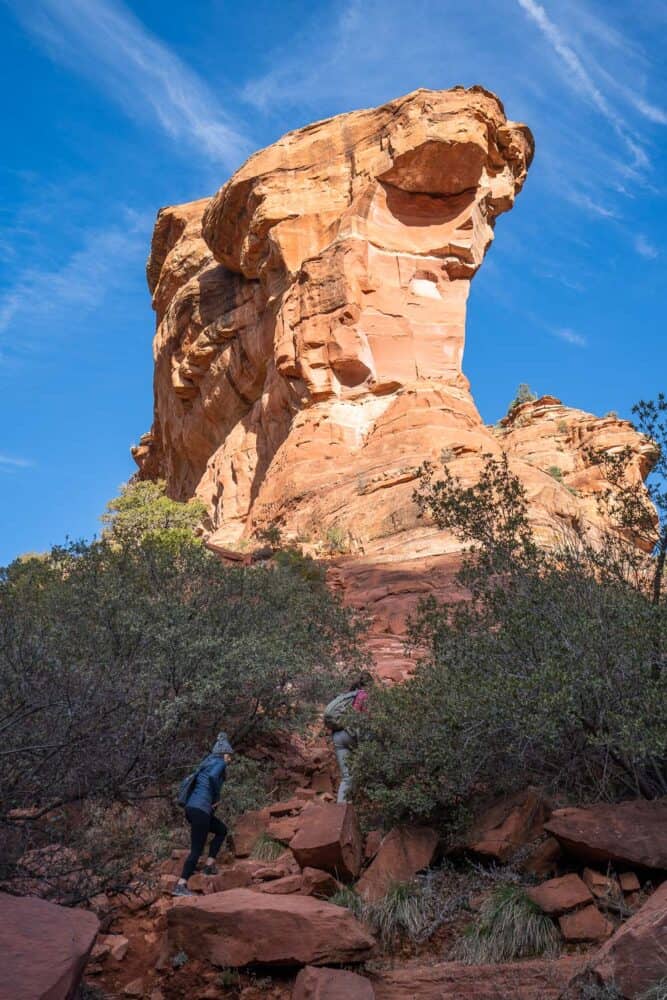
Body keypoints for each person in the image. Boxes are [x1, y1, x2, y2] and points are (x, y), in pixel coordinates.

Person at [172, 732, 234, 897]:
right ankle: (181, 884)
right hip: (201, 810)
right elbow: (214, 777)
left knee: (221, 830)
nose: (230, 759)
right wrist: (216, 797)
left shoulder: (207, 762)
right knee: (196, 850)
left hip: (192, 809)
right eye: (230, 755)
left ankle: (209, 865)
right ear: (225, 754)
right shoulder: (220, 763)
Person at [329, 673, 371, 803]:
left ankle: (340, 812)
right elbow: (363, 718)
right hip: (353, 735)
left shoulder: (346, 697)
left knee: (347, 778)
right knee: (365, 771)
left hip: (338, 737)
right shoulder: (364, 695)